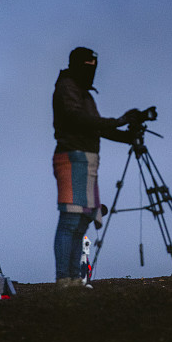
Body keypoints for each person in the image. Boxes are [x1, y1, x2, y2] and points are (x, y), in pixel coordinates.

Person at [52, 47, 137, 290]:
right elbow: (77, 119)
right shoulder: (68, 88)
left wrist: (126, 135)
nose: (92, 70)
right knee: (70, 219)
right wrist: (119, 121)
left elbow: (95, 127)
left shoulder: (82, 92)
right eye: (89, 64)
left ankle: (72, 278)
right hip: (72, 157)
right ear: (78, 65)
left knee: (81, 222)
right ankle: (64, 278)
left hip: (85, 160)